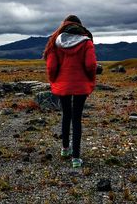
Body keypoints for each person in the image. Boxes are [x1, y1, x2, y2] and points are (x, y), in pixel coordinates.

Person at [43, 15, 97, 168]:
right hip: (81, 86)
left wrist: (54, 80)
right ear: (79, 26)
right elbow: (91, 65)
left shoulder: (55, 43)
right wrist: (89, 79)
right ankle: (76, 158)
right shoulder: (86, 42)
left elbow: (51, 67)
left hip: (63, 86)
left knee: (66, 114)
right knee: (77, 118)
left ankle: (65, 149)